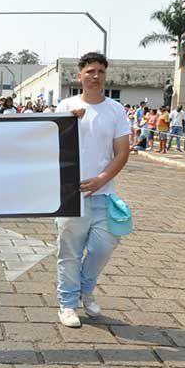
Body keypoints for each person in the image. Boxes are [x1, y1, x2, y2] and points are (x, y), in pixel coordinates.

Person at [54, 52, 130, 328]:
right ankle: (67, 304)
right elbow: (50, 143)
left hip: (103, 194)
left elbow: (122, 151)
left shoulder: (116, 110)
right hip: (71, 194)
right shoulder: (66, 106)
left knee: (103, 247)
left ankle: (85, 289)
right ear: (80, 76)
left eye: (100, 71)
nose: (95, 76)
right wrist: (68, 123)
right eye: (90, 71)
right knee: (69, 253)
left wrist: (101, 179)